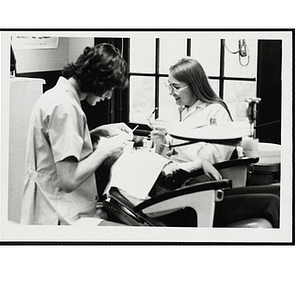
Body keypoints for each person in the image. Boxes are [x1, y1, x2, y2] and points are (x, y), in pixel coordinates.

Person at [150, 57, 280, 228]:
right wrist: (163, 143)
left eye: (175, 87)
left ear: (194, 84)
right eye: (169, 85)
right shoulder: (180, 111)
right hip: (185, 189)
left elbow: (213, 157)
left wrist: (174, 139)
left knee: (278, 192)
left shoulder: (216, 111)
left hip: (202, 183)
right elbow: (171, 153)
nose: (170, 92)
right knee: (272, 201)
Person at [21, 43, 133, 225]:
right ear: (98, 80)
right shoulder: (65, 107)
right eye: (110, 88)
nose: (109, 96)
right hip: (59, 213)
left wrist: (97, 133)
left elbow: (57, 148)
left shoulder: (56, 96)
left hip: (50, 205)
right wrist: (105, 150)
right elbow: (69, 180)